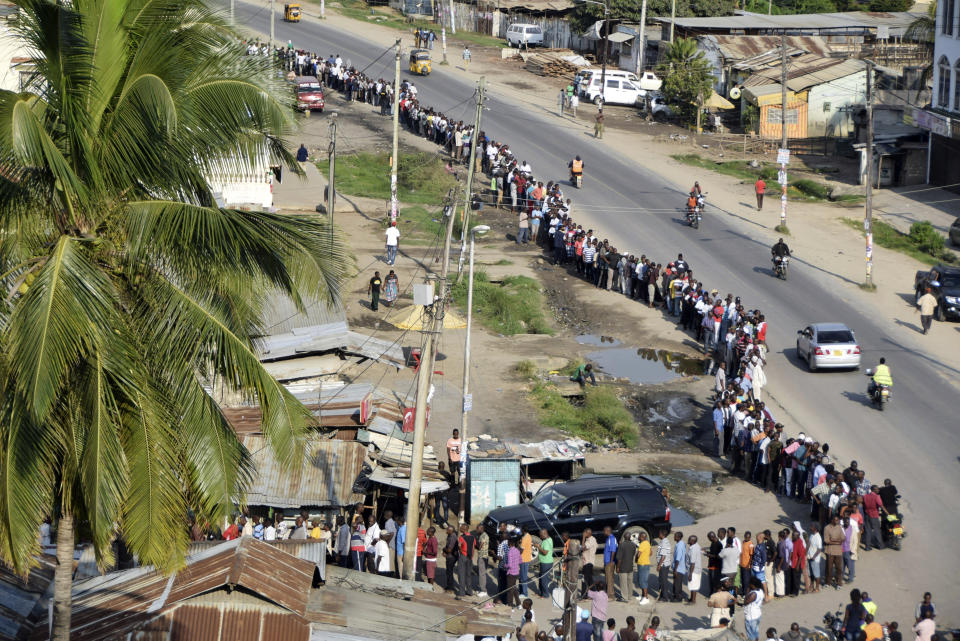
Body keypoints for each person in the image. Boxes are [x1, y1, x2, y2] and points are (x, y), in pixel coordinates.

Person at [615, 532, 636, 602]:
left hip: (623, 567)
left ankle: (624, 597)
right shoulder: (633, 545)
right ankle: (630, 596)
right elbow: (633, 554)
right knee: (630, 582)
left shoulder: (622, 545)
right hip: (630, 566)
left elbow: (619, 558)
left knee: (623, 583)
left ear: (624, 537)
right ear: (630, 537)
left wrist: (617, 567)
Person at [537, 528, 555, 597]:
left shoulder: (547, 541)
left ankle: (545, 594)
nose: (540, 537)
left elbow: (545, 552)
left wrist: (538, 547)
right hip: (544, 562)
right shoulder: (547, 539)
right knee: (541, 578)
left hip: (546, 563)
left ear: (545, 534)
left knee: (544, 579)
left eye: (541, 535)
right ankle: (541, 592)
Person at [634, 531, 651, 604]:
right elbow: (651, 552)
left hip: (642, 564)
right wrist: (646, 556)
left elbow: (638, 554)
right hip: (645, 563)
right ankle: (642, 595)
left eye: (639, 536)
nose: (638, 537)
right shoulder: (647, 543)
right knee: (642, 580)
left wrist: (636, 559)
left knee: (643, 581)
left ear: (642, 537)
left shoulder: (642, 544)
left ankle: (646, 597)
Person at [655, 529, 672, 602]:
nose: (658, 535)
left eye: (659, 533)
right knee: (662, 580)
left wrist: (659, 565)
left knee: (663, 581)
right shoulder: (664, 541)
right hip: (664, 564)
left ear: (662, 534)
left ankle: (665, 597)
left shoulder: (664, 542)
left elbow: (663, 556)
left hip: (664, 565)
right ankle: (662, 595)